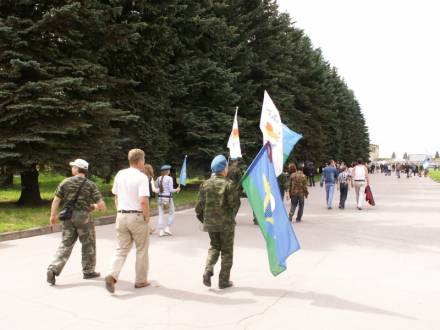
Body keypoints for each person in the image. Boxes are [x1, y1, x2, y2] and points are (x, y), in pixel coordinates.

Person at [47, 159, 106, 285]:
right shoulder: (90, 184)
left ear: (77, 169)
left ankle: (53, 268)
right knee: (88, 244)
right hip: (84, 218)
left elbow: (56, 200)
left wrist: (53, 216)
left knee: (65, 244)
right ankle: (88, 271)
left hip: (67, 218)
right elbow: (101, 205)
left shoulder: (65, 182)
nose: (71, 168)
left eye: (73, 166)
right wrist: (96, 207)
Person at [105, 149, 150, 293]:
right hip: (136, 216)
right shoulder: (142, 177)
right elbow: (143, 201)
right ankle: (141, 280)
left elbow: (116, 195)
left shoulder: (120, 174)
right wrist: (147, 217)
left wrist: (119, 211)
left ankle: (112, 275)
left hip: (121, 215)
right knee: (142, 249)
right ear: (140, 161)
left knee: (121, 249)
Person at [195, 155, 240, 289]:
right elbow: (234, 204)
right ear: (224, 169)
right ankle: (223, 281)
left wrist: (205, 220)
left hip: (210, 224)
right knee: (226, 252)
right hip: (226, 225)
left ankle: (208, 270)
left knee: (214, 247)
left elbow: (198, 207)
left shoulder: (205, 184)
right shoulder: (229, 184)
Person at [156, 165, 180, 237]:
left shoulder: (158, 178)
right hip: (168, 199)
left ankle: (160, 231)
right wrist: (177, 189)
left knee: (161, 214)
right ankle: (168, 228)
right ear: (168, 171)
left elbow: (157, 188)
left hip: (160, 199)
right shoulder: (169, 178)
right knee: (171, 212)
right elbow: (170, 190)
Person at [144, 164, 159, 234]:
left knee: (143, 212)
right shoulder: (151, 178)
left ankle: (149, 228)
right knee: (146, 212)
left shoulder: (141, 177)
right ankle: (149, 229)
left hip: (140, 196)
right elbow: (154, 189)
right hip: (147, 197)